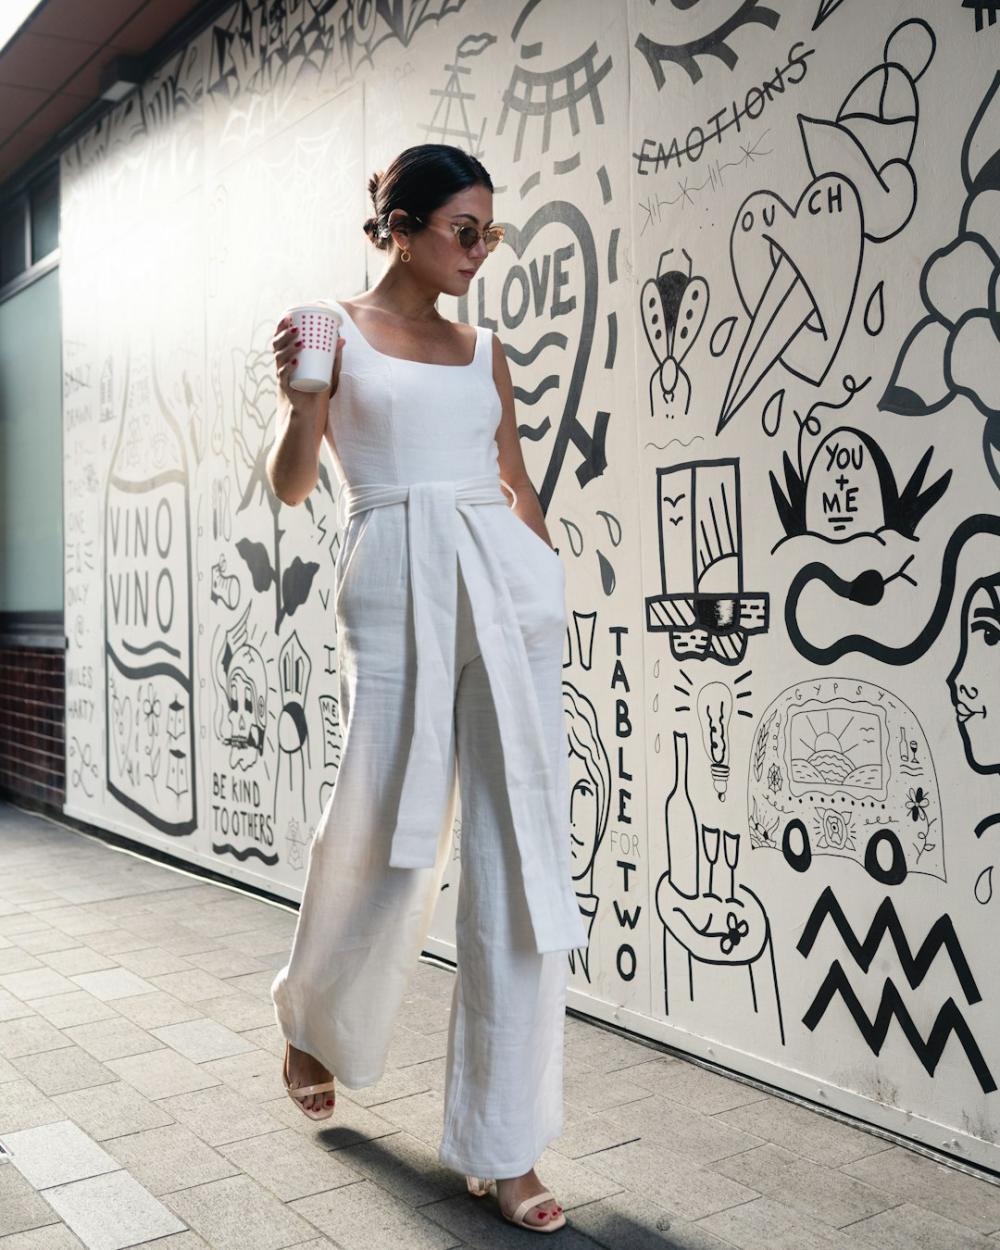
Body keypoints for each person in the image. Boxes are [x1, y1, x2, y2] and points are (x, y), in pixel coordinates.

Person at [266, 143, 588, 1234]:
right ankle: (314, 1018)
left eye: (490, 231)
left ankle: (507, 1146)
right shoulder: (328, 327)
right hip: (393, 577)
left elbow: (515, 480)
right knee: (378, 826)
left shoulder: (484, 348)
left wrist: (545, 584)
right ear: (399, 228)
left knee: (518, 855)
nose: (481, 249)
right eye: (464, 229)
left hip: (505, 589)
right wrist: (301, 399)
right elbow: (293, 483)